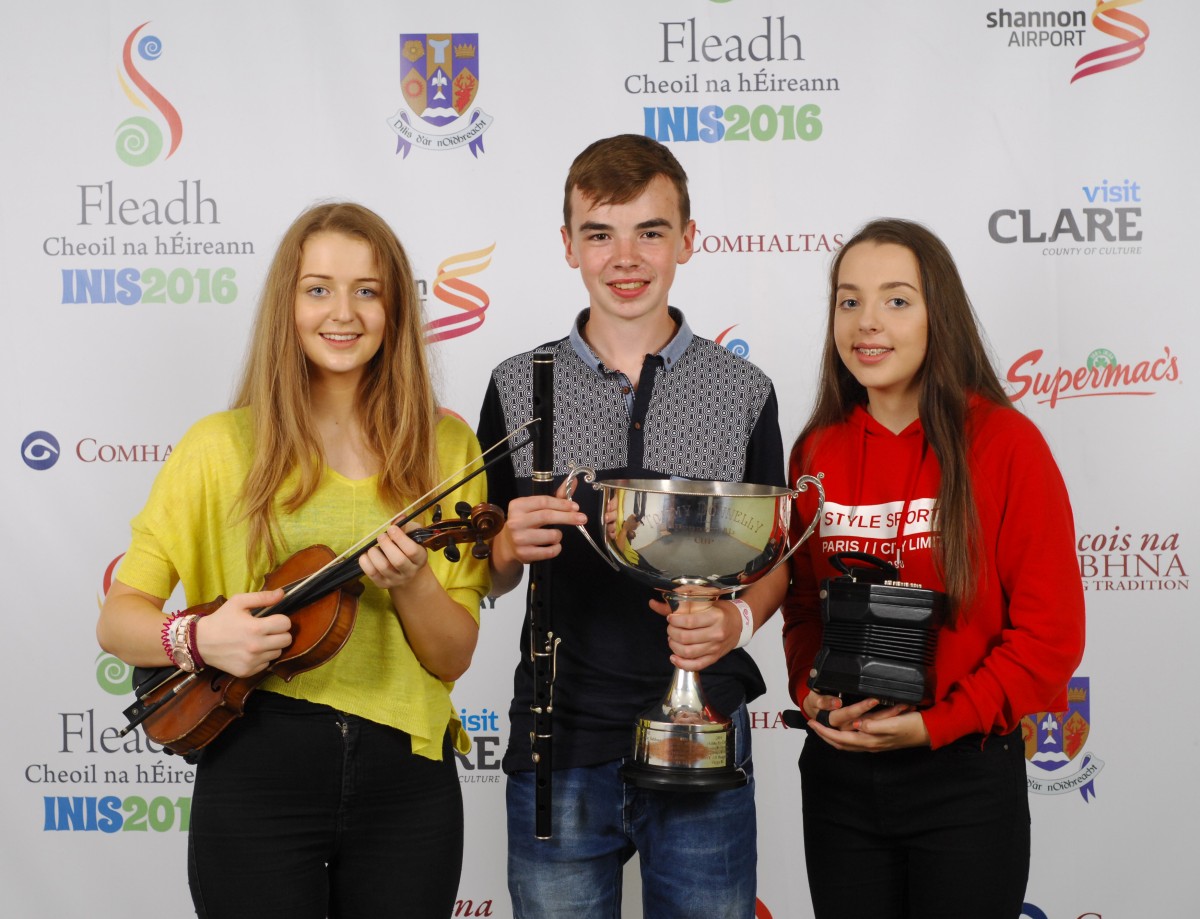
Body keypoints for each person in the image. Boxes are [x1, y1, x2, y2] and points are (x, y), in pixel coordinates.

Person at [96, 202, 489, 918]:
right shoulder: (218, 446)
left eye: (368, 289)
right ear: (288, 303)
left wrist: (411, 583)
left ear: (396, 307)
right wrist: (200, 637)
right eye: (318, 288)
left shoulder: (446, 450)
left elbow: (453, 655)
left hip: (409, 777)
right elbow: (119, 619)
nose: (343, 312)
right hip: (255, 766)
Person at [476, 134, 785, 918]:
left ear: (687, 239)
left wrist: (737, 620)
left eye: (650, 231)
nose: (626, 256)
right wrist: (506, 544)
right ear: (568, 245)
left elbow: (774, 553)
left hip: (704, 729)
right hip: (561, 739)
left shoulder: (743, 388)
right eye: (600, 232)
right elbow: (486, 567)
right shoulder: (518, 385)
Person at [745, 217, 1086, 918]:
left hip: (962, 777)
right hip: (840, 779)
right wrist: (813, 691)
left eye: (896, 299)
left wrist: (938, 724)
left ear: (940, 315)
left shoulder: (1006, 443)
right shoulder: (816, 450)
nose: (867, 322)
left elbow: (1050, 636)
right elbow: (805, 606)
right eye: (849, 300)